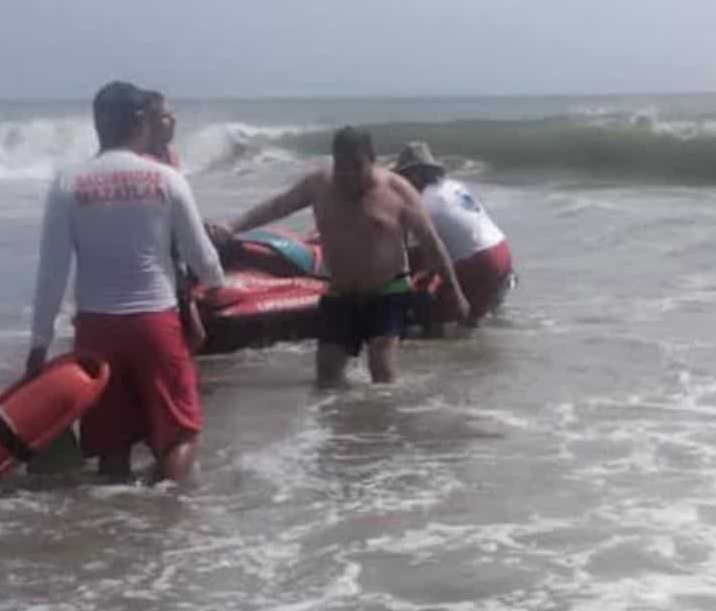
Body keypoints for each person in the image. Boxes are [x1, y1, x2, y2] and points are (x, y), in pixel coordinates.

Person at [28, 81, 225, 483]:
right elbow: (203, 259)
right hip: (155, 321)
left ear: (97, 123)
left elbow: (51, 273)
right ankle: (169, 520)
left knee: (110, 444)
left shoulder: (68, 183)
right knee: (178, 435)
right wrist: (215, 283)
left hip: (96, 328)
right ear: (141, 123)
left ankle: (119, 527)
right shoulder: (166, 179)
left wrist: (38, 344)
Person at [209, 126, 470, 387]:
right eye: (342, 166)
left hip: (388, 290)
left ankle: (389, 424)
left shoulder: (397, 190)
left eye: (357, 166)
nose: (349, 175)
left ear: (372, 158)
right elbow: (277, 207)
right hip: (340, 292)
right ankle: (339, 426)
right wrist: (233, 227)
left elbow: (432, 243)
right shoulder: (319, 185)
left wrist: (455, 292)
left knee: (381, 365)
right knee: (327, 373)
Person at [393, 141, 514, 323]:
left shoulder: (421, 201)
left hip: (479, 261)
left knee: (435, 315)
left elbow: (417, 254)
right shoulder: (454, 186)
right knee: (474, 311)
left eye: (404, 177)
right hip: (502, 251)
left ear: (416, 175)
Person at [142, 88, 211, 355]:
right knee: (194, 334)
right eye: (164, 117)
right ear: (145, 123)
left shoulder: (171, 155)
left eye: (172, 115)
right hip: (159, 254)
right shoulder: (142, 162)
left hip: (175, 247)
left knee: (194, 332)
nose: (173, 121)